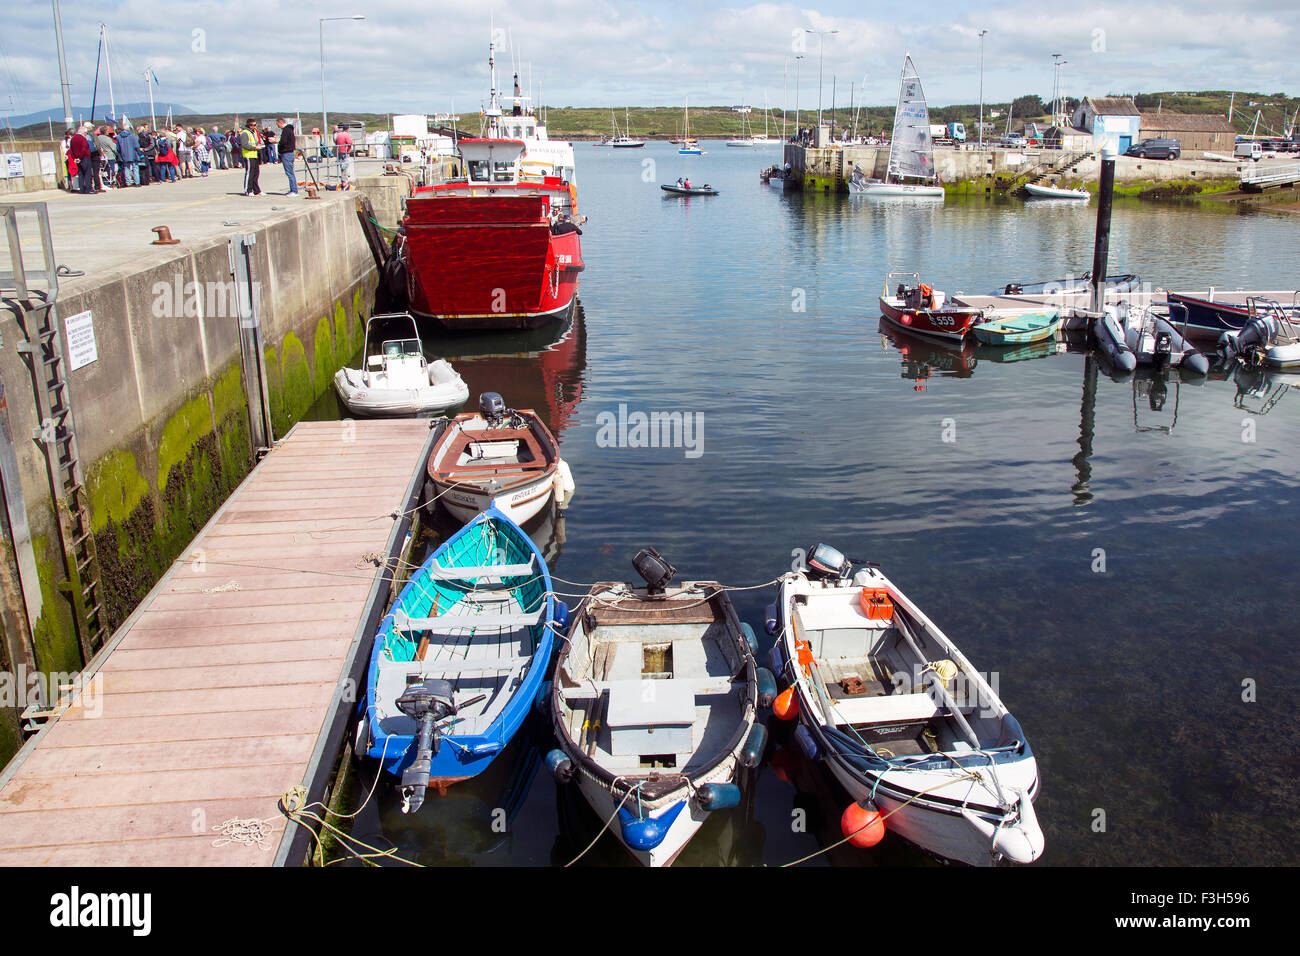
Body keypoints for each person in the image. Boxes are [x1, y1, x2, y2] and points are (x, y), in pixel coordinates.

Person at [239, 117, 262, 195]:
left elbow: (254, 142)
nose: (255, 126)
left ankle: (256, 190)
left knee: (256, 173)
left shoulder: (254, 132)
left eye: (255, 125)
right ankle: (248, 190)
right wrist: (255, 147)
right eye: (253, 125)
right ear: (249, 125)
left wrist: (258, 145)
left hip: (254, 155)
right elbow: (244, 145)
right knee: (250, 173)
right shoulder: (245, 133)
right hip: (248, 155)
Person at [276, 118, 297, 195]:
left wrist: (276, 141)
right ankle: (293, 189)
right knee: (291, 172)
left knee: (289, 173)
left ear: (280, 123)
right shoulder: (290, 130)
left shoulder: (286, 130)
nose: (278, 126)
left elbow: (283, 142)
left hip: (286, 153)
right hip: (290, 153)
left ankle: (294, 190)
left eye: (277, 125)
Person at [68, 127, 92, 194]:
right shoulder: (82, 138)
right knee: (87, 174)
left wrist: (75, 158)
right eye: (86, 133)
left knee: (80, 175)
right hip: (84, 158)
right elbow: (84, 149)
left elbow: (71, 150)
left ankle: (81, 189)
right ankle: (88, 189)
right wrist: (80, 157)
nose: (86, 134)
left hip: (77, 159)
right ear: (83, 132)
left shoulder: (73, 139)